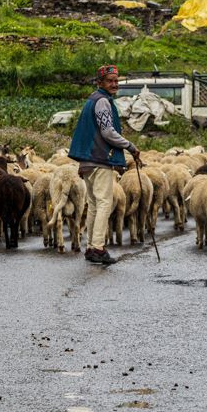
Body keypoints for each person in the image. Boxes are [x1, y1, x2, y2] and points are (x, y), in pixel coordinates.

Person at [68, 64, 140, 264]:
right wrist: (130, 146)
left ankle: (91, 246)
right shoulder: (102, 102)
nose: (114, 84)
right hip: (100, 158)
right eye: (110, 81)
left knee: (93, 204)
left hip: (88, 159)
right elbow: (107, 131)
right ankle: (98, 248)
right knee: (104, 203)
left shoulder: (92, 100)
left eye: (116, 81)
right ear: (100, 82)